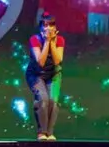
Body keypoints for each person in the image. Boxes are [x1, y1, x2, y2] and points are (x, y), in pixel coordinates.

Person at [26, 12, 64, 141]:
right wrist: (47, 41)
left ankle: (49, 133)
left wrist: (52, 42)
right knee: (43, 99)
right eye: (45, 25)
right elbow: (41, 62)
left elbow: (58, 60)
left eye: (51, 25)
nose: (48, 28)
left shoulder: (60, 40)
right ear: (41, 27)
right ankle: (41, 132)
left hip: (54, 74)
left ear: (55, 27)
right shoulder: (35, 39)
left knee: (53, 100)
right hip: (36, 75)